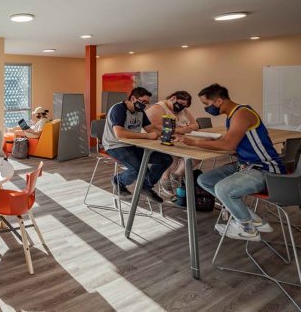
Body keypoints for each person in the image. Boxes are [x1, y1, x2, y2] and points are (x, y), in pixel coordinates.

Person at [175, 84, 284, 241]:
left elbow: (228, 145)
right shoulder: (232, 115)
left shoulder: (242, 113)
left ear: (218, 101)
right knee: (205, 180)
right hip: (246, 165)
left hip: (265, 169)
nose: (206, 108)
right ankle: (251, 217)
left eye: (206, 104)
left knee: (223, 189)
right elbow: (231, 143)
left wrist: (193, 142)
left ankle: (247, 228)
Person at [102, 87, 173, 203]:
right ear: (133, 98)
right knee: (139, 170)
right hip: (115, 145)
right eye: (143, 102)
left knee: (165, 159)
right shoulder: (118, 109)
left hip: (133, 145)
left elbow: (150, 129)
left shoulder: (140, 112)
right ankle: (118, 181)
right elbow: (119, 134)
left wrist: (167, 134)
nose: (145, 105)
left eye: (147, 102)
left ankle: (145, 186)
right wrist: (147, 136)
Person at [145, 91, 200, 196]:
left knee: (197, 154)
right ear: (173, 98)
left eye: (185, 105)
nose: (182, 107)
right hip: (160, 141)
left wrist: (183, 129)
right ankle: (165, 178)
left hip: (179, 139)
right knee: (172, 155)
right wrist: (182, 129)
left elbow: (195, 125)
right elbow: (155, 127)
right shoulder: (158, 108)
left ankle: (177, 174)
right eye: (181, 104)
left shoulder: (183, 110)